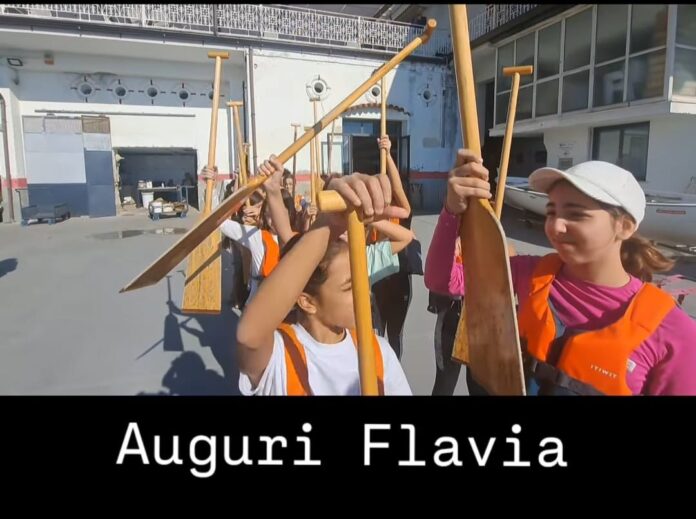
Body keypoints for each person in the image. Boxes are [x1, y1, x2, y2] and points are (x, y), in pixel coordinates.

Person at [425, 152, 696, 396]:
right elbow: (443, 281)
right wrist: (452, 210)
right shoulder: (528, 273)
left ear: (624, 227)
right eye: (551, 212)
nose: (555, 226)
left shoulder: (674, 333)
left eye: (576, 215)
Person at [236, 172, 413, 396]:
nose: (365, 293)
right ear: (307, 302)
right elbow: (249, 336)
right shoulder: (278, 356)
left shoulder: (378, 352)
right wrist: (328, 223)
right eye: (349, 287)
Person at [370, 135, 418, 359]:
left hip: (399, 283)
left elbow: (397, 186)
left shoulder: (402, 214)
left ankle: (393, 370)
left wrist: (388, 155)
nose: (385, 194)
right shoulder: (370, 220)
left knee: (395, 336)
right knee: (376, 334)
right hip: (378, 283)